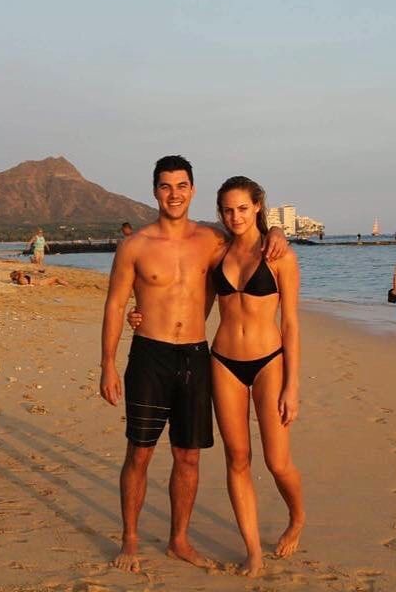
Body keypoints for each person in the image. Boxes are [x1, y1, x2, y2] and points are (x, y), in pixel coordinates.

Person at [99, 156, 287, 574]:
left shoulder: (212, 240)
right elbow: (114, 305)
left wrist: (278, 231)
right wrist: (107, 364)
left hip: (196, 355)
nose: (174, 194)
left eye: (181, 186)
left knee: (188, 457)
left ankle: (178, 540)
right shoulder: (135, 245)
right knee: (140, 453)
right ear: (155, 191)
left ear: (193, 190)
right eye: (166, 186)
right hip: (150, 355)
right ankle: (130, 540)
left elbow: (250, 237)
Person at [209, 176, 304, 576]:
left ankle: (297, 517)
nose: (235, 217)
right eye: (228, 210)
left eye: (243, 209)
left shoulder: (279, 255)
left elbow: (291, 324)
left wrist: (292, 385)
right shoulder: (216, 252)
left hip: (269, 361)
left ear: (258, 207)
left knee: (277, 462)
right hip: (223, 362)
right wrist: (141, 314)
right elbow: (190, 301)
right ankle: (253, 550)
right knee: (237, 459)